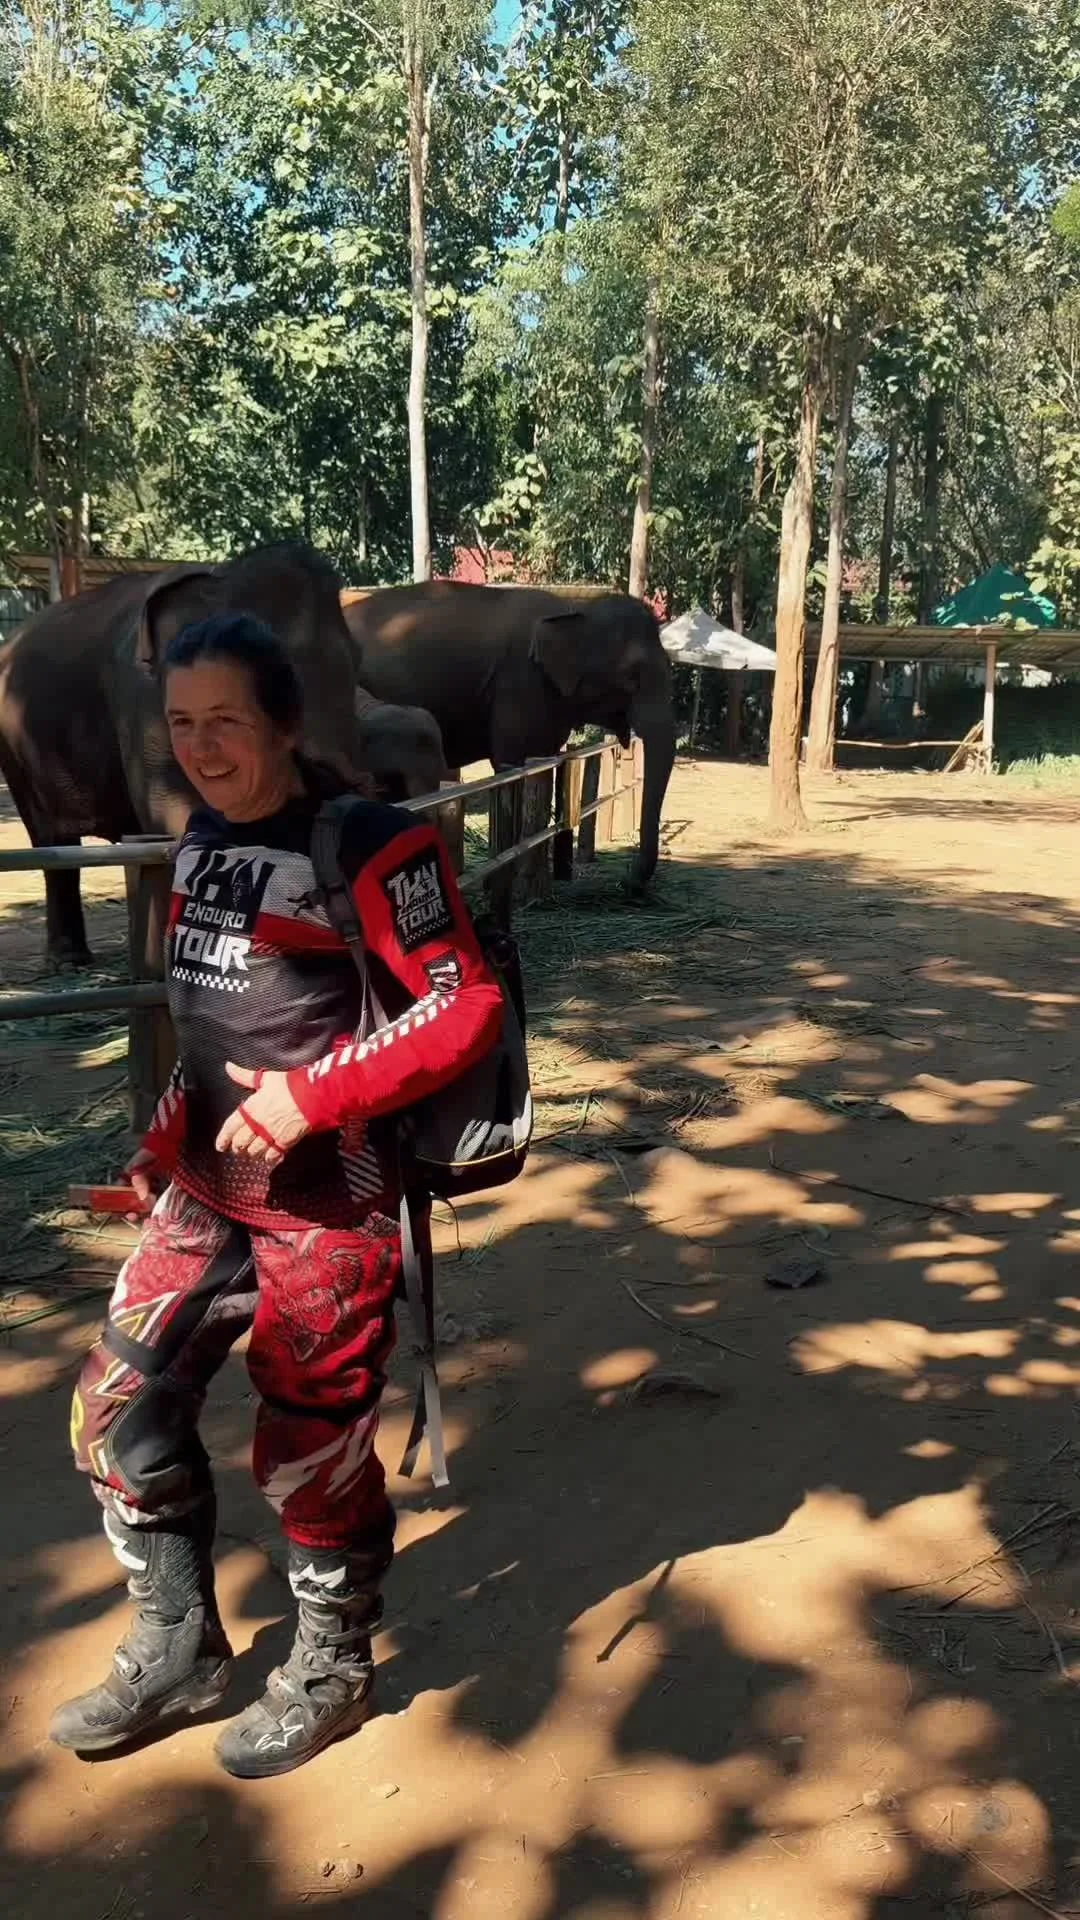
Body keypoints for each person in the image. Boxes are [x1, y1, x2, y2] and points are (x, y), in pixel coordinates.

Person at [49, 612, 504, 1779]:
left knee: (309, 1442)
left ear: (287, 724)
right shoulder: (202, 839)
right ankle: (179, 1647)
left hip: (329, 1200)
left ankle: (332, 1667)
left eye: (227, 722)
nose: (201, 748)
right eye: (182, 723)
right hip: (210, 1188)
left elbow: (463, 1005)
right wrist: (166, 1135)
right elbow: (216, 1022)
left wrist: (314, 1096)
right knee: (112, 1410)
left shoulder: (372, 845)